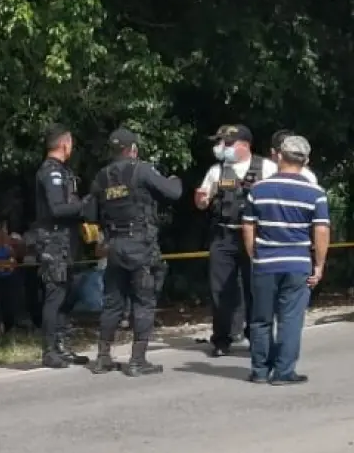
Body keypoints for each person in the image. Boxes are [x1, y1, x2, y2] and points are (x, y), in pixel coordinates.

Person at [84, 128, 183, 376]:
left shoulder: (102, 177)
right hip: (140, 245)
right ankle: (137, 360)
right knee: (143, 301)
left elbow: (89, 215)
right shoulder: (142, 170)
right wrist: (174, 180)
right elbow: (174, 193)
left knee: (112, 303)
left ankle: (103, 357)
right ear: (133, 149)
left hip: (114, 246)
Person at [240, 135, 328, 385]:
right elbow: (321, 231)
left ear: (278, 156)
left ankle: (259, 370)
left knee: (260, 319)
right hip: (298, 264)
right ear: (307, 160)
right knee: (290, 319)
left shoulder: (258, 189)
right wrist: (319, 265)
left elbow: (248, 226)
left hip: (265, 263)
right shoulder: (316, 193)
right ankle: (283, 372)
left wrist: (253, 254)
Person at [193, 124, 277, 357]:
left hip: (257, 237)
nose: (222, 148)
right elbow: (203, 201)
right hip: (224, 235)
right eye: (220, 143)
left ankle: (257, 338)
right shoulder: (216, 171)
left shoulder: (268, 168)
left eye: (228, 144)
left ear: (245, 145)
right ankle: (222, 340)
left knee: (256, 289)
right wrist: (200, 200)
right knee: (220, 289)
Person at [33, 124, 89, 368]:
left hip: (67, 243)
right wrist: (84, 206)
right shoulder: (50, 173)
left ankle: (62, 345)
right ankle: (49, 350)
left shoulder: (65, 172)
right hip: (53, 242)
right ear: (64, 144)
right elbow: (57, 209)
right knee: (55, 295)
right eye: (71, 144)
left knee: (68, 294)